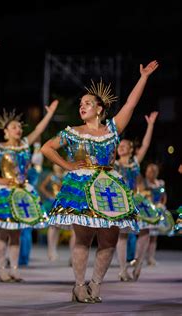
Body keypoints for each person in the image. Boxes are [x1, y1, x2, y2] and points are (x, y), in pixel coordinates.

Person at [41, 60, 159, 303]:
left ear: (99, 109)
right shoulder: (73, 132)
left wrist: (144, 77)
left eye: (87, 104)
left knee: (109, 238)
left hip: (109, 186)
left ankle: (95, 284)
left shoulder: (112, 130)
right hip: (82, 186)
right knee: (83, 237)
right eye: (81, 104)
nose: (82, 107)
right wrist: (69, 165)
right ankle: (79, 285)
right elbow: (47, 148)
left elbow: (131, 103)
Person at [0, 102, 59, 282]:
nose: (18, 129)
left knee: (17, 232)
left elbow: (38, 130)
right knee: (3, 231)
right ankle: (1, 268)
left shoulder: (24, 144)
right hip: (5, 192)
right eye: (13, 127)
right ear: (6, 131)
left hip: (23, 191)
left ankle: (14, 269)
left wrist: (50, 114)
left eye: (19, 127)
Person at [114, 111, 158, 281]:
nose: (121, 147)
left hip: (136, 200)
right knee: (122, 234)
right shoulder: (114, 164)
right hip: (121, 201)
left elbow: (146, 145)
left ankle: (138, 262)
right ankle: (123, 270)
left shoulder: (135, 162)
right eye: (120, 145)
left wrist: (151, 125)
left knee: (145, 230)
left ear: (131, 150)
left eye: (125, 145)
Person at [131, 162, 167, 279]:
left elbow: (163, 196)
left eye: (153, 171)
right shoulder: (143, 182)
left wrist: (161, 205)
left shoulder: (160, 183)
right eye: (149, 171)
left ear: (156, 172)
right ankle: (137, 257)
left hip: (156, 210)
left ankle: (150, 258)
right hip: (146, 211)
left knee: (154, 236)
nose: (150, 173)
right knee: (143, 234)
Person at [40, 163, 76, 262]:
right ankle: (51, 250)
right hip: (55, 201)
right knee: (53, 226)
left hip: (68, 202)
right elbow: (42, 187)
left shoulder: (67, 175)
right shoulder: (52, 176)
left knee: (74, 227)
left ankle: (74, 255)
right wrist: (49, 195)